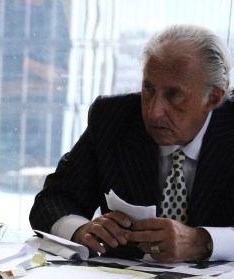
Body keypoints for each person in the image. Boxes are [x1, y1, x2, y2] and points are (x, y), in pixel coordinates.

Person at [29, 24, 234, 264]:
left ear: (213, 97)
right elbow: (52, 200)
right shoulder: (114, 118)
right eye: (148, 89)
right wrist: (81, 230)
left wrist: (203, 241)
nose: (154, 111)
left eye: (174, 94)